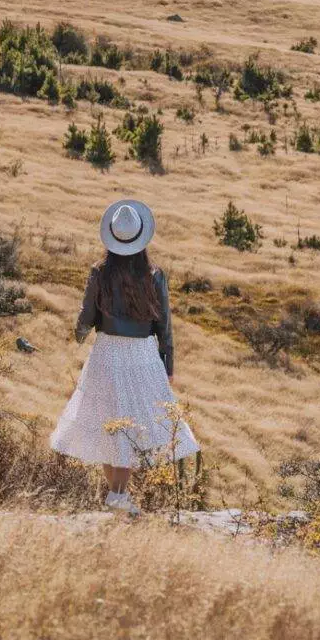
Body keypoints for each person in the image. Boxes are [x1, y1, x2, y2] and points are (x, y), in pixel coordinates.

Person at [50, 199, 200, 514]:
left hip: (107, 352)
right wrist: (168, 365)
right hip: (143, 355)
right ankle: (119, 495)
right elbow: (165, 327)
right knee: (132, 426)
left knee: (111, 423)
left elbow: (85, 317)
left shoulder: (100, 272)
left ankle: (116, 494)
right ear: (141, 238)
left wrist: (79, 332)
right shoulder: (154, 275)